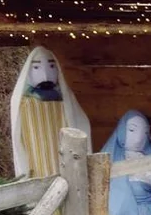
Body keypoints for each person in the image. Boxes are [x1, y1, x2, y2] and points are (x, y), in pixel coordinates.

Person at [9, 46, 91, 178]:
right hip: (37, 159)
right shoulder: (23, 103)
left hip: (64, 157)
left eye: (52, 67)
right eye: (36, 67)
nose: (46, 74)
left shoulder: (66, 100)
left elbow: (80, 123)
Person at [101, 110, 151, 215]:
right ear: (122, 131)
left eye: (144, 132)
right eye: (132, 130)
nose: (139, 138)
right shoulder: (113, 162)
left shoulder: (150, 158)